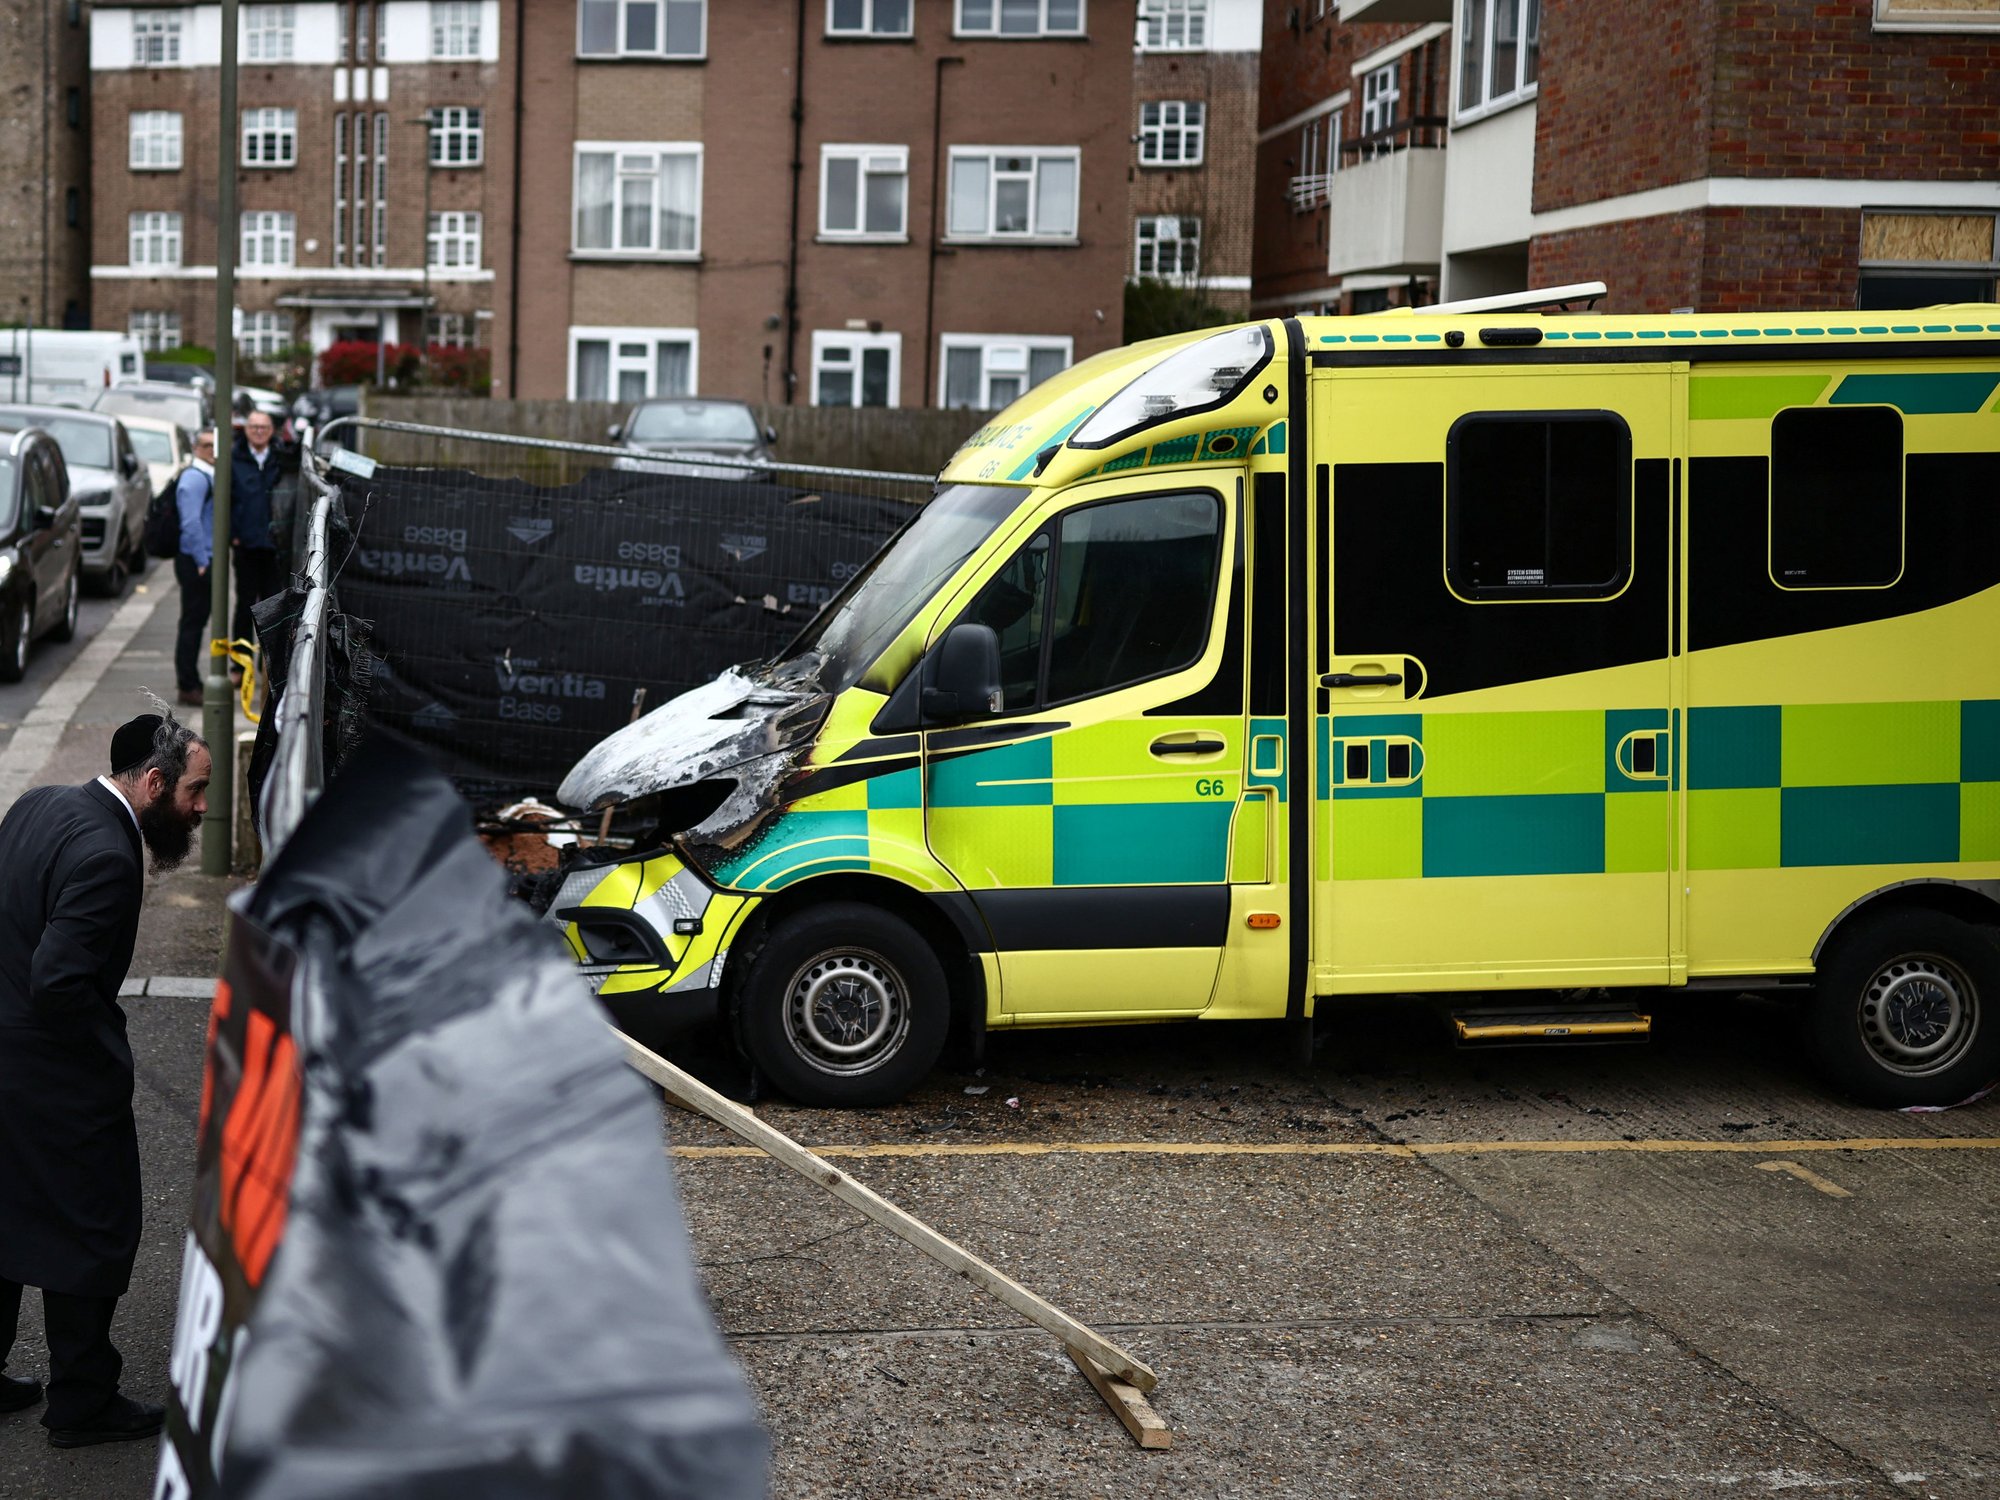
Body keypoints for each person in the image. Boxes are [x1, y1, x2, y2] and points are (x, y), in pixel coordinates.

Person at [0, 709, 212, 1447]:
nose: (202, 807)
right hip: (53, 1076)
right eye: (195, 789)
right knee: (94, 1226)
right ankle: (83, 1401)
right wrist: (106, 1050)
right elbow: (59, 981)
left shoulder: (40, 804)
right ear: (153, 782)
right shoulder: (107, 856)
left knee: (5, 1213)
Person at [229, 410, 290, 680]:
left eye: (263, 427)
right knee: (244, 607)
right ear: (246, 430)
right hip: (246, 546)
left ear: (271, 430)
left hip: (274, 547)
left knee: (272, 609)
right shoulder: (234, 459)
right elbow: (227, 499)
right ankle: (240, 666)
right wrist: (234, 534)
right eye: (254, 427)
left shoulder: (280, 458)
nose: (258, 431)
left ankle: (269, 668)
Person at [173, 430, 217, 709]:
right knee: (192, 622)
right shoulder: (195, 479)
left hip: (199, 558)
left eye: (215, 445)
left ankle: (191, 681)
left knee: (196, 622)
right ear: (195, 447)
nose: (212, 449)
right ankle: (187, 685)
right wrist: (202, 561)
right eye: (206, 445)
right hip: (195, 560)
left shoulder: (206, 475)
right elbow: (190, 523)